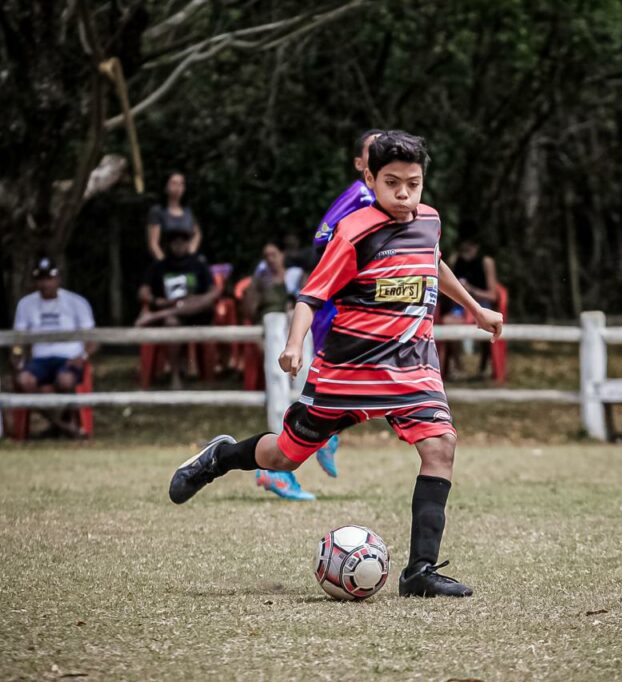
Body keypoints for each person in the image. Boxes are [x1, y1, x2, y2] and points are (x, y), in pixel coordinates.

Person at [168, 131, 504, 598]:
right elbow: (310, 295)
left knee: (441, 446)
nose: (404, 194)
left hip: (411, 365)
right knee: (284, 456)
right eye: (392, 183)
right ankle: (221, 456)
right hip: (349, 369)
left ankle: (419, 572)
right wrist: (293, 344)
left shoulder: (429, 221)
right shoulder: (354, 231)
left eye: (414, 183)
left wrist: (475, 308)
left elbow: (434, 262)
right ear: (371, 178)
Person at [256, 130, 382, 497]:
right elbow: (320, 242)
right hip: (336, 308)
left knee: (353, 391)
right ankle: (280, 466)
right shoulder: (360, 196)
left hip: (353, 308)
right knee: (321, 394)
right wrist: (340, 285)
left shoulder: (384, 203)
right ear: (361, 164)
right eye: (374, 151)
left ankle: (317, 441)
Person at [244, 240, 315, 500]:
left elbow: (312, 299)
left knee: (307, 392)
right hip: (274, 335)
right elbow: (248, 309)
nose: (270, 259)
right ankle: (276, 468)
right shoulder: (261, 280)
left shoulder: (298, 276)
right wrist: (257, 284)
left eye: (274, 254)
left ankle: (321, 440)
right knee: (279, 388)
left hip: (298, 337)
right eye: (266, 255)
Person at [12, 258, 98, 437]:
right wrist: (18, 357)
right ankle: (64, 426)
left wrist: (82, 357)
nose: (45, 284)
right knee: (24, 381)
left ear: (58, 279)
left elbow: (93, 339)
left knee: (65, 380)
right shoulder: (25, 304)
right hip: (39, 360)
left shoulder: (76, 302)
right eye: (41, 279)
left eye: (49, 279)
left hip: (70, 357)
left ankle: (62, 423)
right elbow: (18, 341)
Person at [136, 232, 220, 389]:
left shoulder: (199, 264)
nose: (179, 247)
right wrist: (156, 300)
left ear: (188, 244)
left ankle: (155, 316)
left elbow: (214, 291)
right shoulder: (159, 266)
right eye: (176, 243)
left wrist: (198, 300)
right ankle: (175, 375)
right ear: (169, 245)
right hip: (170, 312)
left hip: (197, 314)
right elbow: (143, 291)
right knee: (171, 322)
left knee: (196, 302)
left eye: (183, 242)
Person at [443, 233, 499, 378]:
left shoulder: (485, 262)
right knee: (448, 322)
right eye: (464, 246)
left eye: (471, 245)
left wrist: (470, 291)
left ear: (477, 246)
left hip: (481, 304)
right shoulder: (455, 260)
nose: (467, 249)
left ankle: (483, 367)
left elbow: (493, 295)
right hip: (461, 306)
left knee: (488, 323)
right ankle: (456, 367)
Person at [146, 171, 201, 261]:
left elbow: (197, 234)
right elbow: (153, 244)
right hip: (165, 262)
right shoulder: (158, 211)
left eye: (181, 184)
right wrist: (164, 264)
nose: (178, 187)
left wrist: (191, 252)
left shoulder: (188, 211)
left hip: (186, 262)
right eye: (174, 183)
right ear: (165, 187)